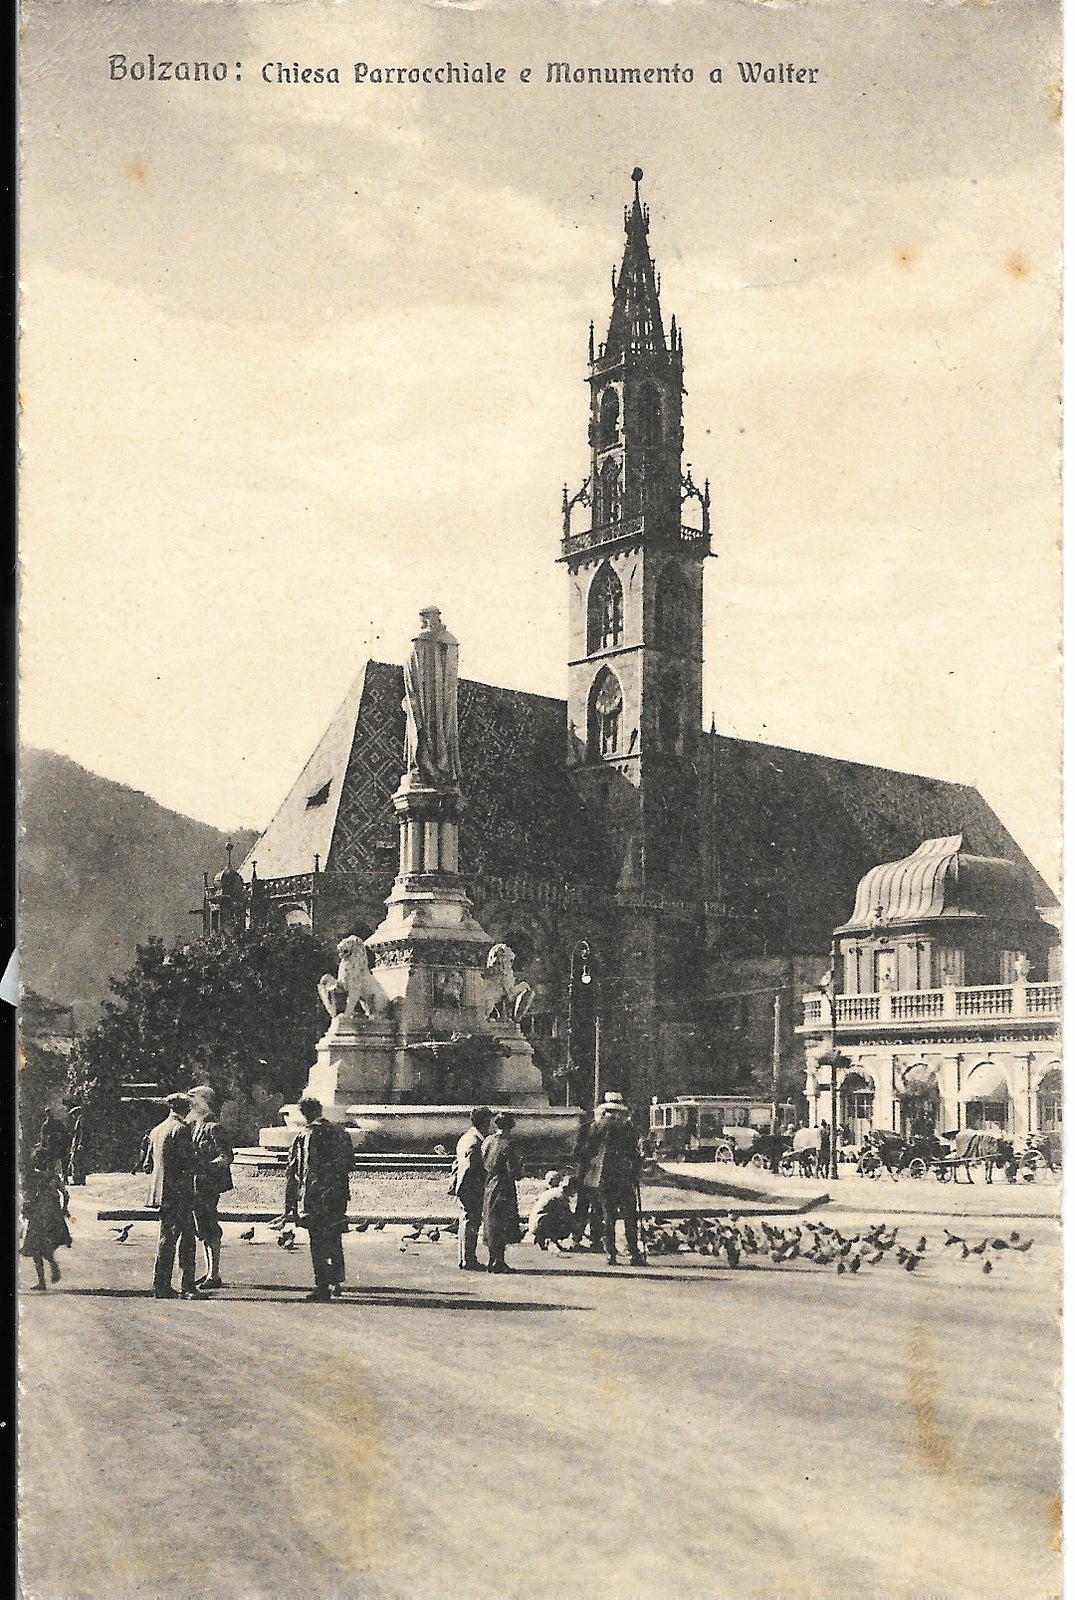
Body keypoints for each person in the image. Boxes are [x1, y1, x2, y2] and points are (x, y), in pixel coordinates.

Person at [284, 1096, 354, 1301]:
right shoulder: (341, 1132)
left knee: (317, 1241)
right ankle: (336, 1280)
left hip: (314, 1196)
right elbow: (350, 1163)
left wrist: (290, 1203)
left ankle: (322, 1285)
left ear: (304, 1114)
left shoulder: (305, 1135)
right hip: (337, 1194)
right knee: (334, 1236)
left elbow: (296, 1170)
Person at [144, 1094, 203, 1300]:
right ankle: (188, 1287)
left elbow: (148, 1165)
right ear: (185, 1109)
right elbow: (189, 1163)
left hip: (162, 1193)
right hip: (179, 1192)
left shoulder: (157, 1130)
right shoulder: (182, 1130)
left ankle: (160, 1285)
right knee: (187, 1239)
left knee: (166, 1238)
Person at [585, 1091, 644, 1267]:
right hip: (624, 1177)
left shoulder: (597, 1127)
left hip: (604, 1178)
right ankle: (633, 1253)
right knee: (629, 1216)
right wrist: (636, 1169)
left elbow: (589, 1150)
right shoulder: (628, 1128)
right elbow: (634, 1153)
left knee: (608, 1217)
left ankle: (611, 1253)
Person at [188, 1085, 234, 1290]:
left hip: (208, 1185)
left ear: (205, 1102)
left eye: (195, 1100)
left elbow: (226, 1156)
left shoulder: (214, 1127)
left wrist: (207, 1167)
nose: (191, 1104)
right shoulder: (195, 1125)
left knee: (209, 1228)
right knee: (202, 1228)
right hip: (197, 1184)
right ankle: (210, 1272)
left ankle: (213, 1274)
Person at [21, 1144, 72, 1290]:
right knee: (39, 1247)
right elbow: (65, 1194)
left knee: (37, 1246)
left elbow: (29, 1196)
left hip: (42, 1216)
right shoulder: (50, 1177)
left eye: (38, 1159)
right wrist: (64, 1209)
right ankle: (47, 1274)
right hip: (47, 1215)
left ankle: (45, 1277)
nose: (37, 1162)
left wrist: (26, 1208)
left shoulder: (36, 1177)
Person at [450, 1106, 493, 1270]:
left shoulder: (466, 1138)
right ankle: (469, 1259)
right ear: (484, 1123)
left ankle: (464, 1258)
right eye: (489, 1122)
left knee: (466, 1222)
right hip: (472, 1188)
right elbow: (473, 1169)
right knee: (471, 1223)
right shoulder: (475, 1143)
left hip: (463, 1186)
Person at [481, 1111, 523, 1274]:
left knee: (491, 1223)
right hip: (504, 1187)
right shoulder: (509, 1144)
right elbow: (514, 1171)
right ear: (511, 1126)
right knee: (502, 1223)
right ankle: (499, 1261)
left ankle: (492, 1259)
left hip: (489, 1185)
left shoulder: (487, 1141)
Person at [570, 1111, 603, 1252]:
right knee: (582, 1206)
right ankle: (576, 1239)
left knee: (598, 1208)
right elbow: (576, 1152)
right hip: (586, 1174)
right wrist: (589, 1158)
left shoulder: (609, 1130)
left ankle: (596, 1240)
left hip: (601, 1174)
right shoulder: (585, 1129)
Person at [528, 1171, 575, 1251]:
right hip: (542, 1223)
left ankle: (542, 1238)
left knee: (555, 1216)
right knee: (567, 1222)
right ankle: (552, 1239)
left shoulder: (551, 1191)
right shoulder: (560, 1195)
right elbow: (566, 1214)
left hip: (534, 1222)